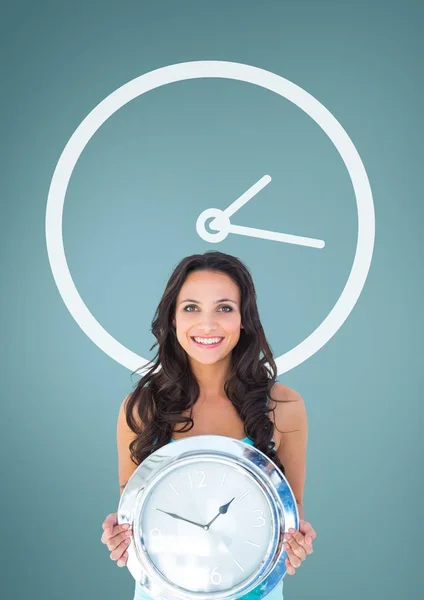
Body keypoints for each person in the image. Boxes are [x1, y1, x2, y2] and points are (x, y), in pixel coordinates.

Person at [100, 251, 317, 600]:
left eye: (224, 308)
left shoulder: (284, 407)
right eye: (191, 308)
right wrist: (119, 535)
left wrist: (297, 542)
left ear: (244, 319)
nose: (207, 324)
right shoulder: (142, 409)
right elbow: (134, 514)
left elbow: (293, 508)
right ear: (172, 318)